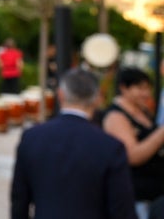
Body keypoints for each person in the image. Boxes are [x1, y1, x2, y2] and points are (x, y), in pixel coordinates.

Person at [12, 67, 137, 219]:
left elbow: (19, 200)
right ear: (97, 98)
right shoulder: (110, 146)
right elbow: (122, 210)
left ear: (60, 95)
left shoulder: (31, 137)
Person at [101, 67, 164, 218]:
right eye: (140, 88)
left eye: (148, 88)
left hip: (154, 197)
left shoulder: (143, 112)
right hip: (138, 199)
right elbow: (133, 156)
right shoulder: (116, 116)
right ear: (124, 88)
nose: (146, 94)